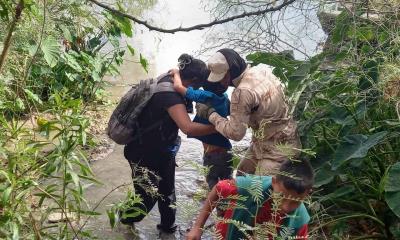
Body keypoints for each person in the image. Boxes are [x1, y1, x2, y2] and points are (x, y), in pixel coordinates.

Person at [121, 54, 215, 233]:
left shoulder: (173, 77)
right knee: (146, 199)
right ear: (193, 80)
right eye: (198, 85)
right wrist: (219, 127)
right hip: (142, 152)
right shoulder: (168, 94)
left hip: (163, 150)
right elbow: (188, 128)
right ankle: (124, 218)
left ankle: (168, 229)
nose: (198, 89)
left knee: (167, 193)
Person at [202, 48, 301, 175]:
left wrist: (211, 114)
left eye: (223, 77)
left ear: (232, 70)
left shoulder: (242, 92)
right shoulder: (260, 71)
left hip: (277, 149)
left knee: (260, 191)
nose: (221, 82)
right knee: (242, 175)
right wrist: (232, 107)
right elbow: (261, 105)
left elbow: (236, 133)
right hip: (283, 137)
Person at [186, 159, 314, 240]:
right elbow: (218, 189)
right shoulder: (248, 187)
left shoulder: (300, 220)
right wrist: (197, 227)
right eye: (281, 198)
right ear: (274, 182)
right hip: (228, 234)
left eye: (295, 202)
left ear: (308, 194)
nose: (285, 207)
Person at [171, 66, 232, 189]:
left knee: (214, 188)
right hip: (227, 152)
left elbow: (178, 87)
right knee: (228, 185)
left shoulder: (206, 95)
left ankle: (217, 206)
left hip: (213, 155)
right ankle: (229, 207)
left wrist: (176, 73)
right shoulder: (224, 97)